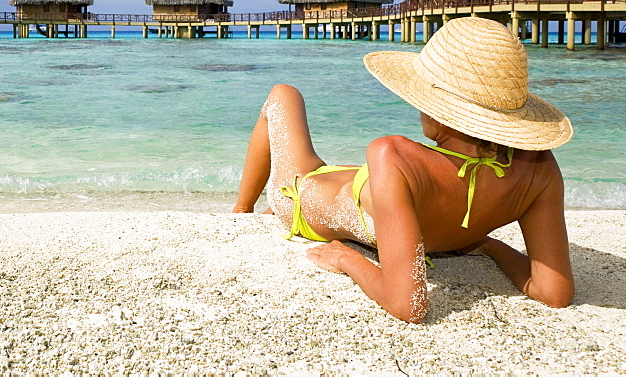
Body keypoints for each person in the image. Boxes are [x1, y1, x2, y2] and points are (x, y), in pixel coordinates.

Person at [232, 16, 574, 323]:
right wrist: (488, 245)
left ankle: (240, 211)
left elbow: (407, 304)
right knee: (349, 174)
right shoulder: (538, 168)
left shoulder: (394, 156)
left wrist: (345, 259)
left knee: (283, 94)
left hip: (301, 201)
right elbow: (554, 292)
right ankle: (251, 209)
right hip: (359, 190)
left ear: (439, 109)